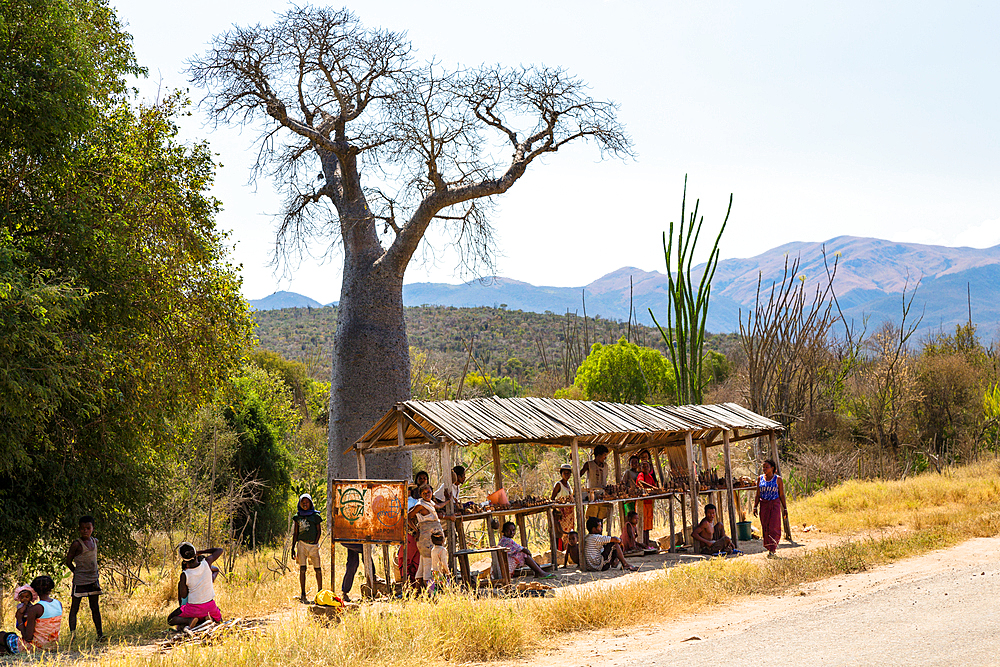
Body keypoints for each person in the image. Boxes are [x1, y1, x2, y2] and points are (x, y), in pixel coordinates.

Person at [408, 483, 455, 588]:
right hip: (426, 539)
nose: (427, 494)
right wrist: (416, 530)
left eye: (428, 492)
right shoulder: (420, 505)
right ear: (420, 494)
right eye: (424, 493)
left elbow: (438, 506)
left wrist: (448, 500)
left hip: (429, 537)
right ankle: (429, 593)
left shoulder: (428, 502)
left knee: (422, 564)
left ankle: (417, 591)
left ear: (432, 492)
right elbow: (408, 517)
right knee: (428, 564)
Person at [65, 515, 104, 641]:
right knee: (75, 608)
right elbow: (68, 561)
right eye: (82, 529)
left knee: (95, 608)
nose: (85, 531)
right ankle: (73, 637)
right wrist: (76, 572)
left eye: (88, 528)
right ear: (79, 529)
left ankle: (100, 635)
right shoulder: (77, 544)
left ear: (92, 528)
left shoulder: (95, 541)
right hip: (80, 580)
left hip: (93, 579)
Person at [174, 543, 224, 629]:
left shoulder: (185, 575)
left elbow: (183, 595)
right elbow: (220, 550)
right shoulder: (207, 563)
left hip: (193, 609)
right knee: (217, 615)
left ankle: (190, 621)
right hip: (210, 607)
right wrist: (202, 551)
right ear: (195, 553)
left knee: (171, 619)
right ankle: (208, 619)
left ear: (184, 561)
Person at [398, 471, 429, 586]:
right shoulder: (414, 501)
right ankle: (410, 586)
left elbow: (408, 517)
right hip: (414, 533)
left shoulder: (415, 501)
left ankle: (411, 586)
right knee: (411, 560)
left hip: (415, 533)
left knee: (410, 560)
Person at [168, 559, 219, 628]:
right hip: (208, 608)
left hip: (191, 610)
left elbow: (182, 597)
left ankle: (190, 621)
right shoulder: (206, 577)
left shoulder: (186, 577)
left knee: (173, 620)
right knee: (215, 611)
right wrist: (206, 567)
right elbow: (216, 569)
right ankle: (208, 619)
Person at [291, 493, 323, 603]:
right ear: (300, 504)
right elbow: (295, 533)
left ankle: (320, 593)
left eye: (307, 502)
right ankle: (303, 594)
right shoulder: (297, 516)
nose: (305, 504)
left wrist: (315, 542)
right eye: (303, 502)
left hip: (313, 546)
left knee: (318, 569)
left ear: (310, 503)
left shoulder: (315, 516)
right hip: (301, 545)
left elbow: (319, 530)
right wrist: (293, 548)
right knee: (302, 569)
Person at [753, 459, 788, 557]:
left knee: (774, 527)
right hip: (764, 505)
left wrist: (785, 508)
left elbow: (781, 495)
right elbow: (758, 494)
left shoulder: (778, 479)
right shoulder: (760, 478)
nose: (764, 469)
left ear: (772, 468)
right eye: (763, 467)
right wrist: (755, 506)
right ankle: (769, 547)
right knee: (765, 527)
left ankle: (772, 549)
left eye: (766, 467)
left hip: (774, 505)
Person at [18, 575, 62, 651]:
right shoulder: (58, 603)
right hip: (53, 645)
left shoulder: (36, 608)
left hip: (36, 646)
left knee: (2, 636)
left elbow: (28, 638)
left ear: (34, 590)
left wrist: (19, 620)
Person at [580, 445, 611, 527]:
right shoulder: (589, 464)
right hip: (592, 496)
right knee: (592, 519)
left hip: (602, 495)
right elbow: (579, 474)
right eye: (604, 455)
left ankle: (600, 537)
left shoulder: (606, 466)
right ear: (598, 455)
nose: (605, 458)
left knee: (600, 519)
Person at [551, 463, 575, 549]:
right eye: (564, 473)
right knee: (561, 533)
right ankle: (560, 551)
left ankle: (567, 550)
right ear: (561, 474)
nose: (566, 475)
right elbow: (552, 498)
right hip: (562, 514)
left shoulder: (569, 485)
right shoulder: (559, 484)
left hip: (569, 514)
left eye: (568, 473)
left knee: (568, 533)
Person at [637, 459, 658, 549]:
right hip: (643, 503)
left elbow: (654, 486)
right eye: (643, 467)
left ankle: (647, 544)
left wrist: (655, 488)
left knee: (648, 525)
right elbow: (640, 482)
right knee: (642, 524)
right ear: (641, 468)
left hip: (649, 502)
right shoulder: (641, 475)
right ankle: (642, 544)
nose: (645, 468)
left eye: (647, 466)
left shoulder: (650, 476)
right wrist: (652, 487)